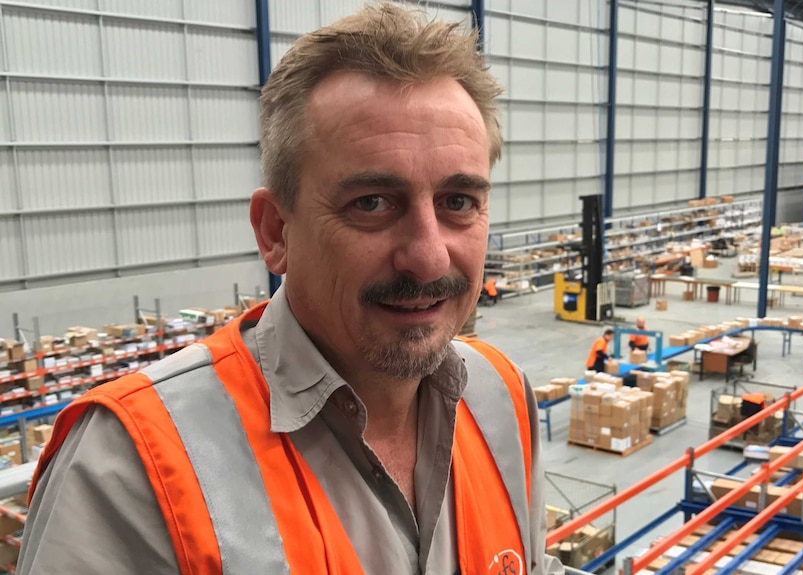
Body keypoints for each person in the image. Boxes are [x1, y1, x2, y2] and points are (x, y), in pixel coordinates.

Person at [18, 4, 564, 575]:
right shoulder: (134, 466)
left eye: (458, 202)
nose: (428, 257)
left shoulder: (501, 395)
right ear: (275, 232)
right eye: (372, 203)